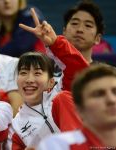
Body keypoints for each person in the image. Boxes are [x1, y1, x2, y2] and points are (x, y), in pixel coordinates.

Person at [6, 8, 89, 149]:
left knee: (62, 98)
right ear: (17, 81)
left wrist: (55, 43)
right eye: (24, 73)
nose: (29, 79)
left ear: (51, 81)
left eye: (37, 73)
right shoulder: (15, 128)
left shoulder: (62, 91)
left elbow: (81, 71)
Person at [38, 64, 116, 150]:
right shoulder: (58, 145)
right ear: (80, 110)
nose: (111, 100)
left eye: (115, 92)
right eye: (98, 94)